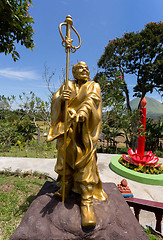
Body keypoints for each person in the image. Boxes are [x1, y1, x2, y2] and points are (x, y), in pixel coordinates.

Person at [47, 61, 107, 228]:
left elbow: (92, 101)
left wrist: (82, 113)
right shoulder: (68, 84)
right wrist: (60, 99)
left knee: (84, 160)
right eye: (80, 67)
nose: (85, 69)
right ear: (73, 71)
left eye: (87, 67)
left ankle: (86, 203)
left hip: (85, 131)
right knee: (65, 155)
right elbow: (56, 101)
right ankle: (65, 185)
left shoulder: (94, 85)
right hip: (67, 129)